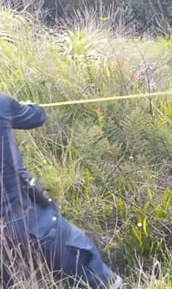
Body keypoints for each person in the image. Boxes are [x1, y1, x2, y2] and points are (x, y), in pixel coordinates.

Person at [0, 95, 124, 288]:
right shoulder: (2, 104)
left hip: (7, 243)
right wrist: (20, 105)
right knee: (101, 278)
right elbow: (37, 116)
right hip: (33, 223)